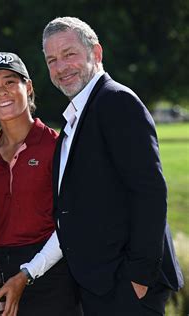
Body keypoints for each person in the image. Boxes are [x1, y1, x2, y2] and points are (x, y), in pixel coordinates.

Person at [42, 17, 184, 315]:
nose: (60, 67)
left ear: (96, 53)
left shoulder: (117, 102)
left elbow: (149, 193)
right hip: (100, 284)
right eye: (52, 60)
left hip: (126, 286)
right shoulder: (78, 115)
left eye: (69, 54)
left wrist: (139, 277)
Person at [0, 52, 82, 316]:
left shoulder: (56, 146)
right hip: (1, 277)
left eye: (9, 82)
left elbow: (70, 225)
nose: (1, 92)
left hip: (52, 276)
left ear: (28, 87)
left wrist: (26, 274)